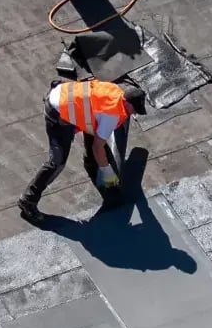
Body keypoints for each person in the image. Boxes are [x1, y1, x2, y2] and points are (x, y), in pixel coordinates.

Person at [18, 78, 146, 223]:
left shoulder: (115, 90)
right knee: (57, 162)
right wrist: (107, 172)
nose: (133, 113)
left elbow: (94, 118)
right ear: (127, 103)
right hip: (58, 113)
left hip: (64, 94)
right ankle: (28, 200)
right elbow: (98, 147)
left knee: (97, 139)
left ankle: (92, 164)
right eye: (134, 110)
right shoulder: (111, 114)